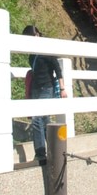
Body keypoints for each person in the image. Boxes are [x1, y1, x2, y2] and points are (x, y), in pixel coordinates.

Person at [22, 25, 68, 165]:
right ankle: (56, 151)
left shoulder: (47, 50)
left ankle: (40, 154)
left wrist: (62, 89)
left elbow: (57, 69)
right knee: (45, 121)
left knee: (37, 119)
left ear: (36, 35)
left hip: (46, 88)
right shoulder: (32, 54)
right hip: (36, 89)